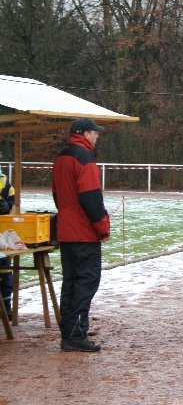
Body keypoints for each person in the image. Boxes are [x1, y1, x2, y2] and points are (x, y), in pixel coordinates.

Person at [52, 117, 111, 352]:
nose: (97, 137)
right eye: (95, 133)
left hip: (66, 229)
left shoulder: (61, 156)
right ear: (85, 134)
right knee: (86, 282)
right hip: (83, 231)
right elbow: (91, 197)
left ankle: (69, 330)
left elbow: (57, 194)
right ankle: (76, 333)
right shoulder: (84, 158)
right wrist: (102, 227)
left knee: (71, 281)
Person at [0, 169, 15, 316]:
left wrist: (7, 206)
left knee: (4, 271)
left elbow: (12, 202)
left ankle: (6, 307)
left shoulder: (5, 181)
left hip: (2, 235)